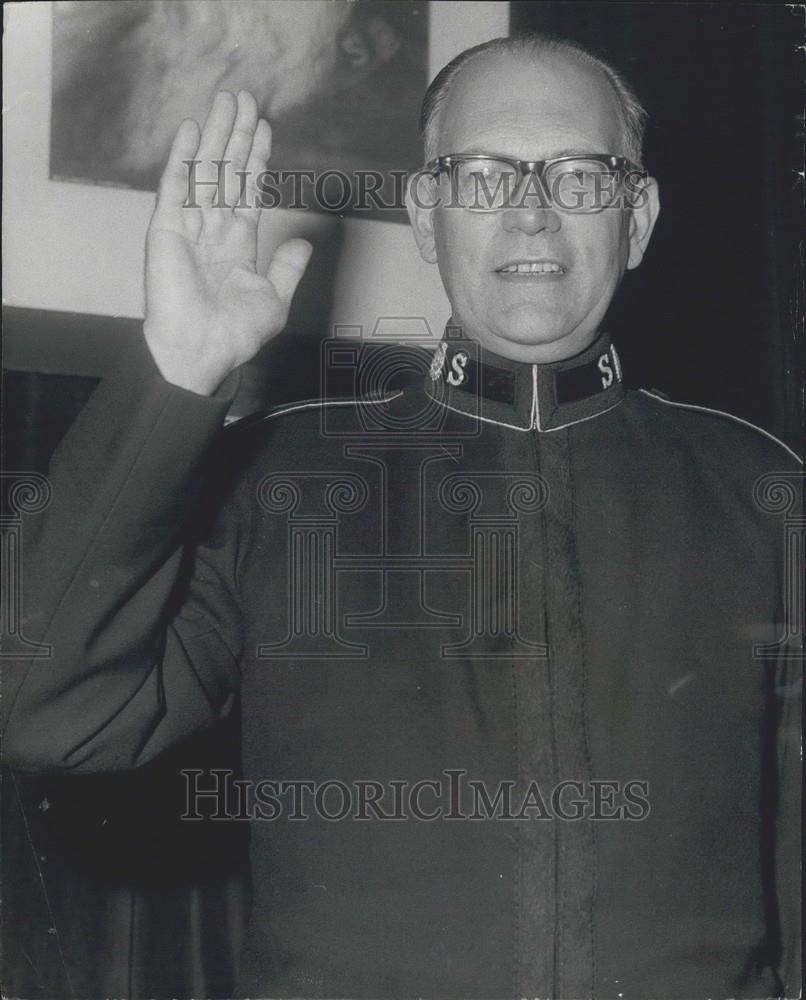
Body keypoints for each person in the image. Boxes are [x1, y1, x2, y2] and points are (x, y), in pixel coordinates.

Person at [3, 33, 801, 999]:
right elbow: (39, 710)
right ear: (426, 216)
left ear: (637, 219)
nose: (533, 213)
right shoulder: (278, 478)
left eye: (581, 178)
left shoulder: (761, 493)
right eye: (484, 177)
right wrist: (176, 373)